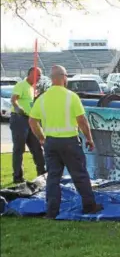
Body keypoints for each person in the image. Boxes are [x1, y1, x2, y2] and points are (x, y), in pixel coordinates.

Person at [29, 65, 103, 219]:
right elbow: (82, 120)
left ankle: (52, 212)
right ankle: (89, 206)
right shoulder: (71, 96)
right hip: (69, 142)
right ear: (64, 77)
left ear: (51, 79)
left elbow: (32, 121)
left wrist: (42, 138)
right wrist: (89, 138)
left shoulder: (42, 99)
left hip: (51, 143)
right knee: (80, 175)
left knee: (53, 178)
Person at [10, 67, 46, 183]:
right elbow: (14, 99)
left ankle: (42, 173)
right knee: (19, 149)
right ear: (30, 74)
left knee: (37, 147)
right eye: (37, 75)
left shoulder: (33, 88)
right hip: (19, 119)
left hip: (31, 120)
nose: (39, 78)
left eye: (40, 76)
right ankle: (18, 177)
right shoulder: (21, 85)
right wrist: (18, 107)